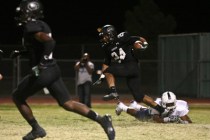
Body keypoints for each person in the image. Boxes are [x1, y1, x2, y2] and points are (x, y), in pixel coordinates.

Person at [11, 1, 115, 140]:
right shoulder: (41, 25)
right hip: (53, 69)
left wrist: (42, 63)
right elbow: (38, 48)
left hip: (44, 72)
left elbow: (50, 42)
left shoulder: (32, 26)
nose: (21, 15)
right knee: (68, 103)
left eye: (23, 12)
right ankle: (102, 120)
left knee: (17, 96)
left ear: (30, 13)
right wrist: (22, 52)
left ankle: (36, 129)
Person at [95, 24, 167, 115]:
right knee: (139, 96)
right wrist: (102, 77)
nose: (103, 38)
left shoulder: (122, 37)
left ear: (111, 34)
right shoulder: (107, 48)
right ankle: (162, 110)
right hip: (129, 70)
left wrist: (144, 44)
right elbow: (106, 64)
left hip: (131, 66)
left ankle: (113, 92)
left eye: (105, 36)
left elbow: (138, 39)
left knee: (108, 70)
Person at [115, 91, 192, 124]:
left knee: (147, 109)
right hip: (151, 115)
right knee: (138, 114)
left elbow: (187, 120)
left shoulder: (181, 106)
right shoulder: (157, 105)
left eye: (171, 103)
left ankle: (135, 105)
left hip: (157, 112)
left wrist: (184, 122)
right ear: (163, 103)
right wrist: (169, 119)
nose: (170, 106)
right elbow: (156, 119)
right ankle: (122, 106)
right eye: (168, 104)